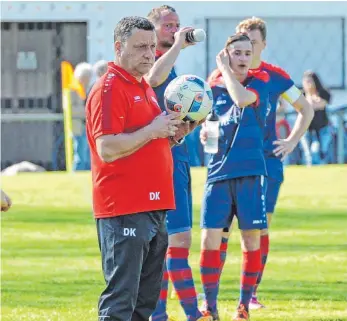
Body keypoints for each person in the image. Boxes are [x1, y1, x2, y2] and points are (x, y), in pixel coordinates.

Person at [202, 17, 314, 314]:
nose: (247, 49)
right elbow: (211, 118)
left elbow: (305, 108)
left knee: (257, 232)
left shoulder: (270, 78)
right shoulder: (216, 78)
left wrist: (290, 141)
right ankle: (211, 303)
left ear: (262, 45)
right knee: (217, 234)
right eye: (241, 44)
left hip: (262, 164)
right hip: (224, 166)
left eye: (252, 43)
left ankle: (248, 297)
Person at [85, 16, 188, 321]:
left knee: (145, 304)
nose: (149, 54)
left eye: (152, 47)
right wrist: (153, 131)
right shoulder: (110, 87)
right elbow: (107, 148)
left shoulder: (142, 86)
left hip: (155, 206)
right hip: (124, 208)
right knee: (121, 301)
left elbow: (146, 141)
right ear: (119, 47)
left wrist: (175, 134)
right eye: (141, 47)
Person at [146, 5, 211, 321]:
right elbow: (152, 77)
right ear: (152, 28)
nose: (174, 30)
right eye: (168, 25)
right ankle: (179, 314)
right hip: (159, 163)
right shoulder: (149, 60)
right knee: (168, 242)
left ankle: (174, 314)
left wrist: (191, 124)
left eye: (177, 25)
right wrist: (176, 46)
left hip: (179, 159)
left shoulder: (173, 67)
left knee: (178, 241)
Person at [200, 33, 270, 321]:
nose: (243, 58)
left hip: (250, 173)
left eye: (247, 53)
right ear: (227, 54)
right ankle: (211, 308)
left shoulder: (260, 83)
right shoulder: (212, 89)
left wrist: (223, 69)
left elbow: (241, 100)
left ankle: (243, 307)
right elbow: (209, 129)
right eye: (237, 53)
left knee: (251, 239)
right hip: (217, 175)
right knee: (208, 240)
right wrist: (206, 132)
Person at [302, 70, 332, 164]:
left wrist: (311, 96)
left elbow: (320, 105)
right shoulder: (302, 95)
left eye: (310, 81)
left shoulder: (323, 93)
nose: (308, 84)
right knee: (308, 153)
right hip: (306, 129)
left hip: (322, 128)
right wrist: (308, 95)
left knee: (320, 151)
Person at [72, 62, 93, 170]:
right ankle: (76, 173)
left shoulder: (88, 89)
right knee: (79, 156)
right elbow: (71, 109)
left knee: (86, 155)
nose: (88, 80)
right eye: (86, 77)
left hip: (87, 127)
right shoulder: (73, 90)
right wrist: (88, 112)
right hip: (77, 127)